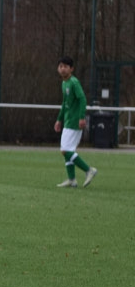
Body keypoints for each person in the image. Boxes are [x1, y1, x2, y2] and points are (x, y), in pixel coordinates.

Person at [54, 56, 97, 188]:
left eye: (65, 67)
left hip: (74, 121)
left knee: (65, 150)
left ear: (71, 69)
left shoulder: (74, 82)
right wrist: (59, 119)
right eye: (61, 66)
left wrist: (82, 117)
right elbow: (64, 103)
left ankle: (89, 170)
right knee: (67, 150)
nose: (62, 69)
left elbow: (82, 99)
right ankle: (72, 180)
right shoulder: (64, 83)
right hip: (68, 120)